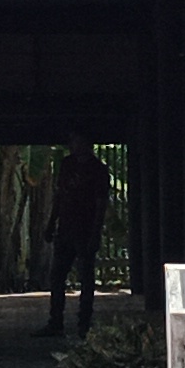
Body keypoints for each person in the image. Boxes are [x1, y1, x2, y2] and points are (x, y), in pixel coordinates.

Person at [41, 136, 111, 336]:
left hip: (85, 229)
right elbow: (59, 195)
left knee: (86, 277)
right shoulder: (66, 165)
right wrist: (51, 223)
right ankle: (56, 321)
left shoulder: (98, 170)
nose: (74, 145)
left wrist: (95, 233)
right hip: (65, 229)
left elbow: (100, 203)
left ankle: (84, 322)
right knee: (57, 276)